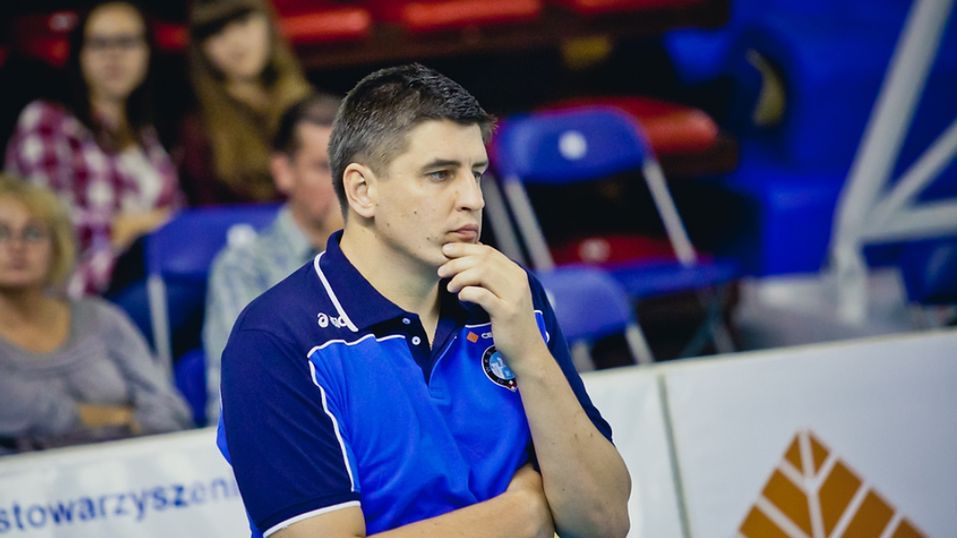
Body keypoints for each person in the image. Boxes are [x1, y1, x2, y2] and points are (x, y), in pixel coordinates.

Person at [220, 64, 631, 537]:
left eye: (477, 173)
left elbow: (604, 523)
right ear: (362, 190)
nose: (473, 199)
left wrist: (530, 355)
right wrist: (525, 512)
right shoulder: (274, 340)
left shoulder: (513, 296)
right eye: (440, 174)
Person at [0, 175, 191, 455]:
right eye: (2, 233)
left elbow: (171, 411)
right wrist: (120, 418)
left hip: (128, 471)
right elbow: (18, 412)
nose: (17, 246)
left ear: (57, 247)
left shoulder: (101, 318)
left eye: (33, 233)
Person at [5, 0, 182, 296]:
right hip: (80, 290)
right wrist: (121, 226)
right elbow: (45, 218)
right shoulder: (48, 121)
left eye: (126, 42)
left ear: (147, 52)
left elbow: (177, 219)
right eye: (99, 43)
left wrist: (146, 227)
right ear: (79, 55)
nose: (113, 55)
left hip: (154, 275)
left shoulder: (151, 139)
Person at [203, 93, 344, 422]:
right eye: (323, 168)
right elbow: (243, 394)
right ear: (283, 172)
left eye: (351, 166)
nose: (343, 185)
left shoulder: (388, 257)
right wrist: (342, 257)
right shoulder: (242, 267)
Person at [180, 0, 311, 205]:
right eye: (217, 31)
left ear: (268, 24)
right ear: (201, 49)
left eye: (243, 22)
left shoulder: (309, 104)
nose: (235, 42)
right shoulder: (199, 132)